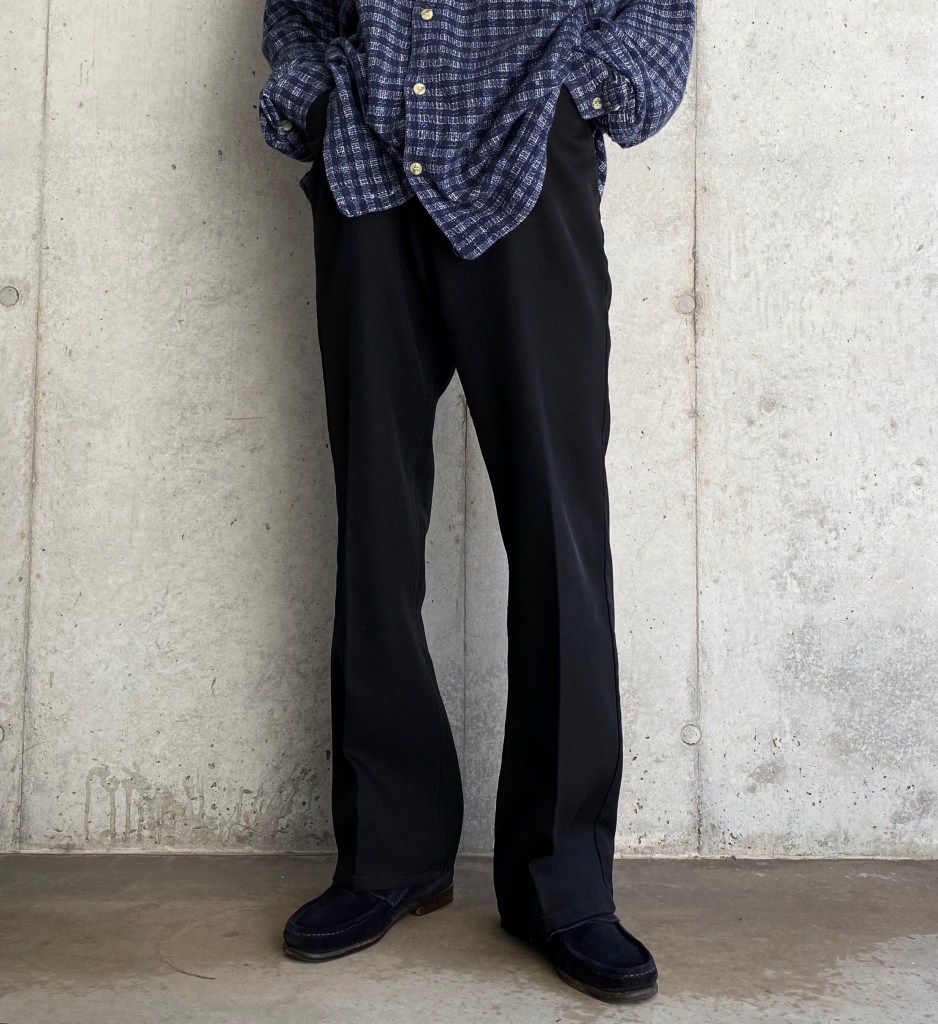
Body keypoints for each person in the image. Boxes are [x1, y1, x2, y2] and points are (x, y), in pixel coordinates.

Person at [257, 0, 695, 1003]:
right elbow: (296, 10)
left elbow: (654, 13)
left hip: (528, 154)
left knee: (557, 530)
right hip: (368, 162)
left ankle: (562, 884)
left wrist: (575, 99)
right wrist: (317, 95)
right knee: (375, 530)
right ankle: (389, 855)